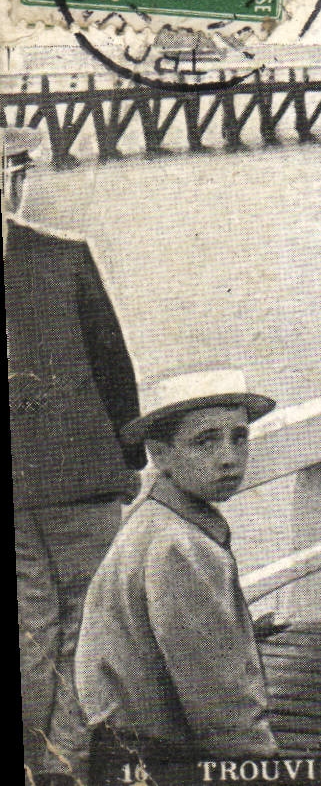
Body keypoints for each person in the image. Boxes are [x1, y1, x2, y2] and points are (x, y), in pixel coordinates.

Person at [6, 126, 145, 786]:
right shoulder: (65, 256)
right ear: (16, 179)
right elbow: (114, 367)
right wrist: (131, 456)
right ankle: (62, 763)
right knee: (86, 625)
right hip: (80, 475)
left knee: (30, 631)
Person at [77, 370, 280, 771]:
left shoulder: (157, 517)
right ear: (160, 455)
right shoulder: (179, 546)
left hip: (124, 740)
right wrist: (259, 763)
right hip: (156, 756)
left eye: (239, 437)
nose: (229, 457)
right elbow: (215, 691)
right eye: (205, 442)